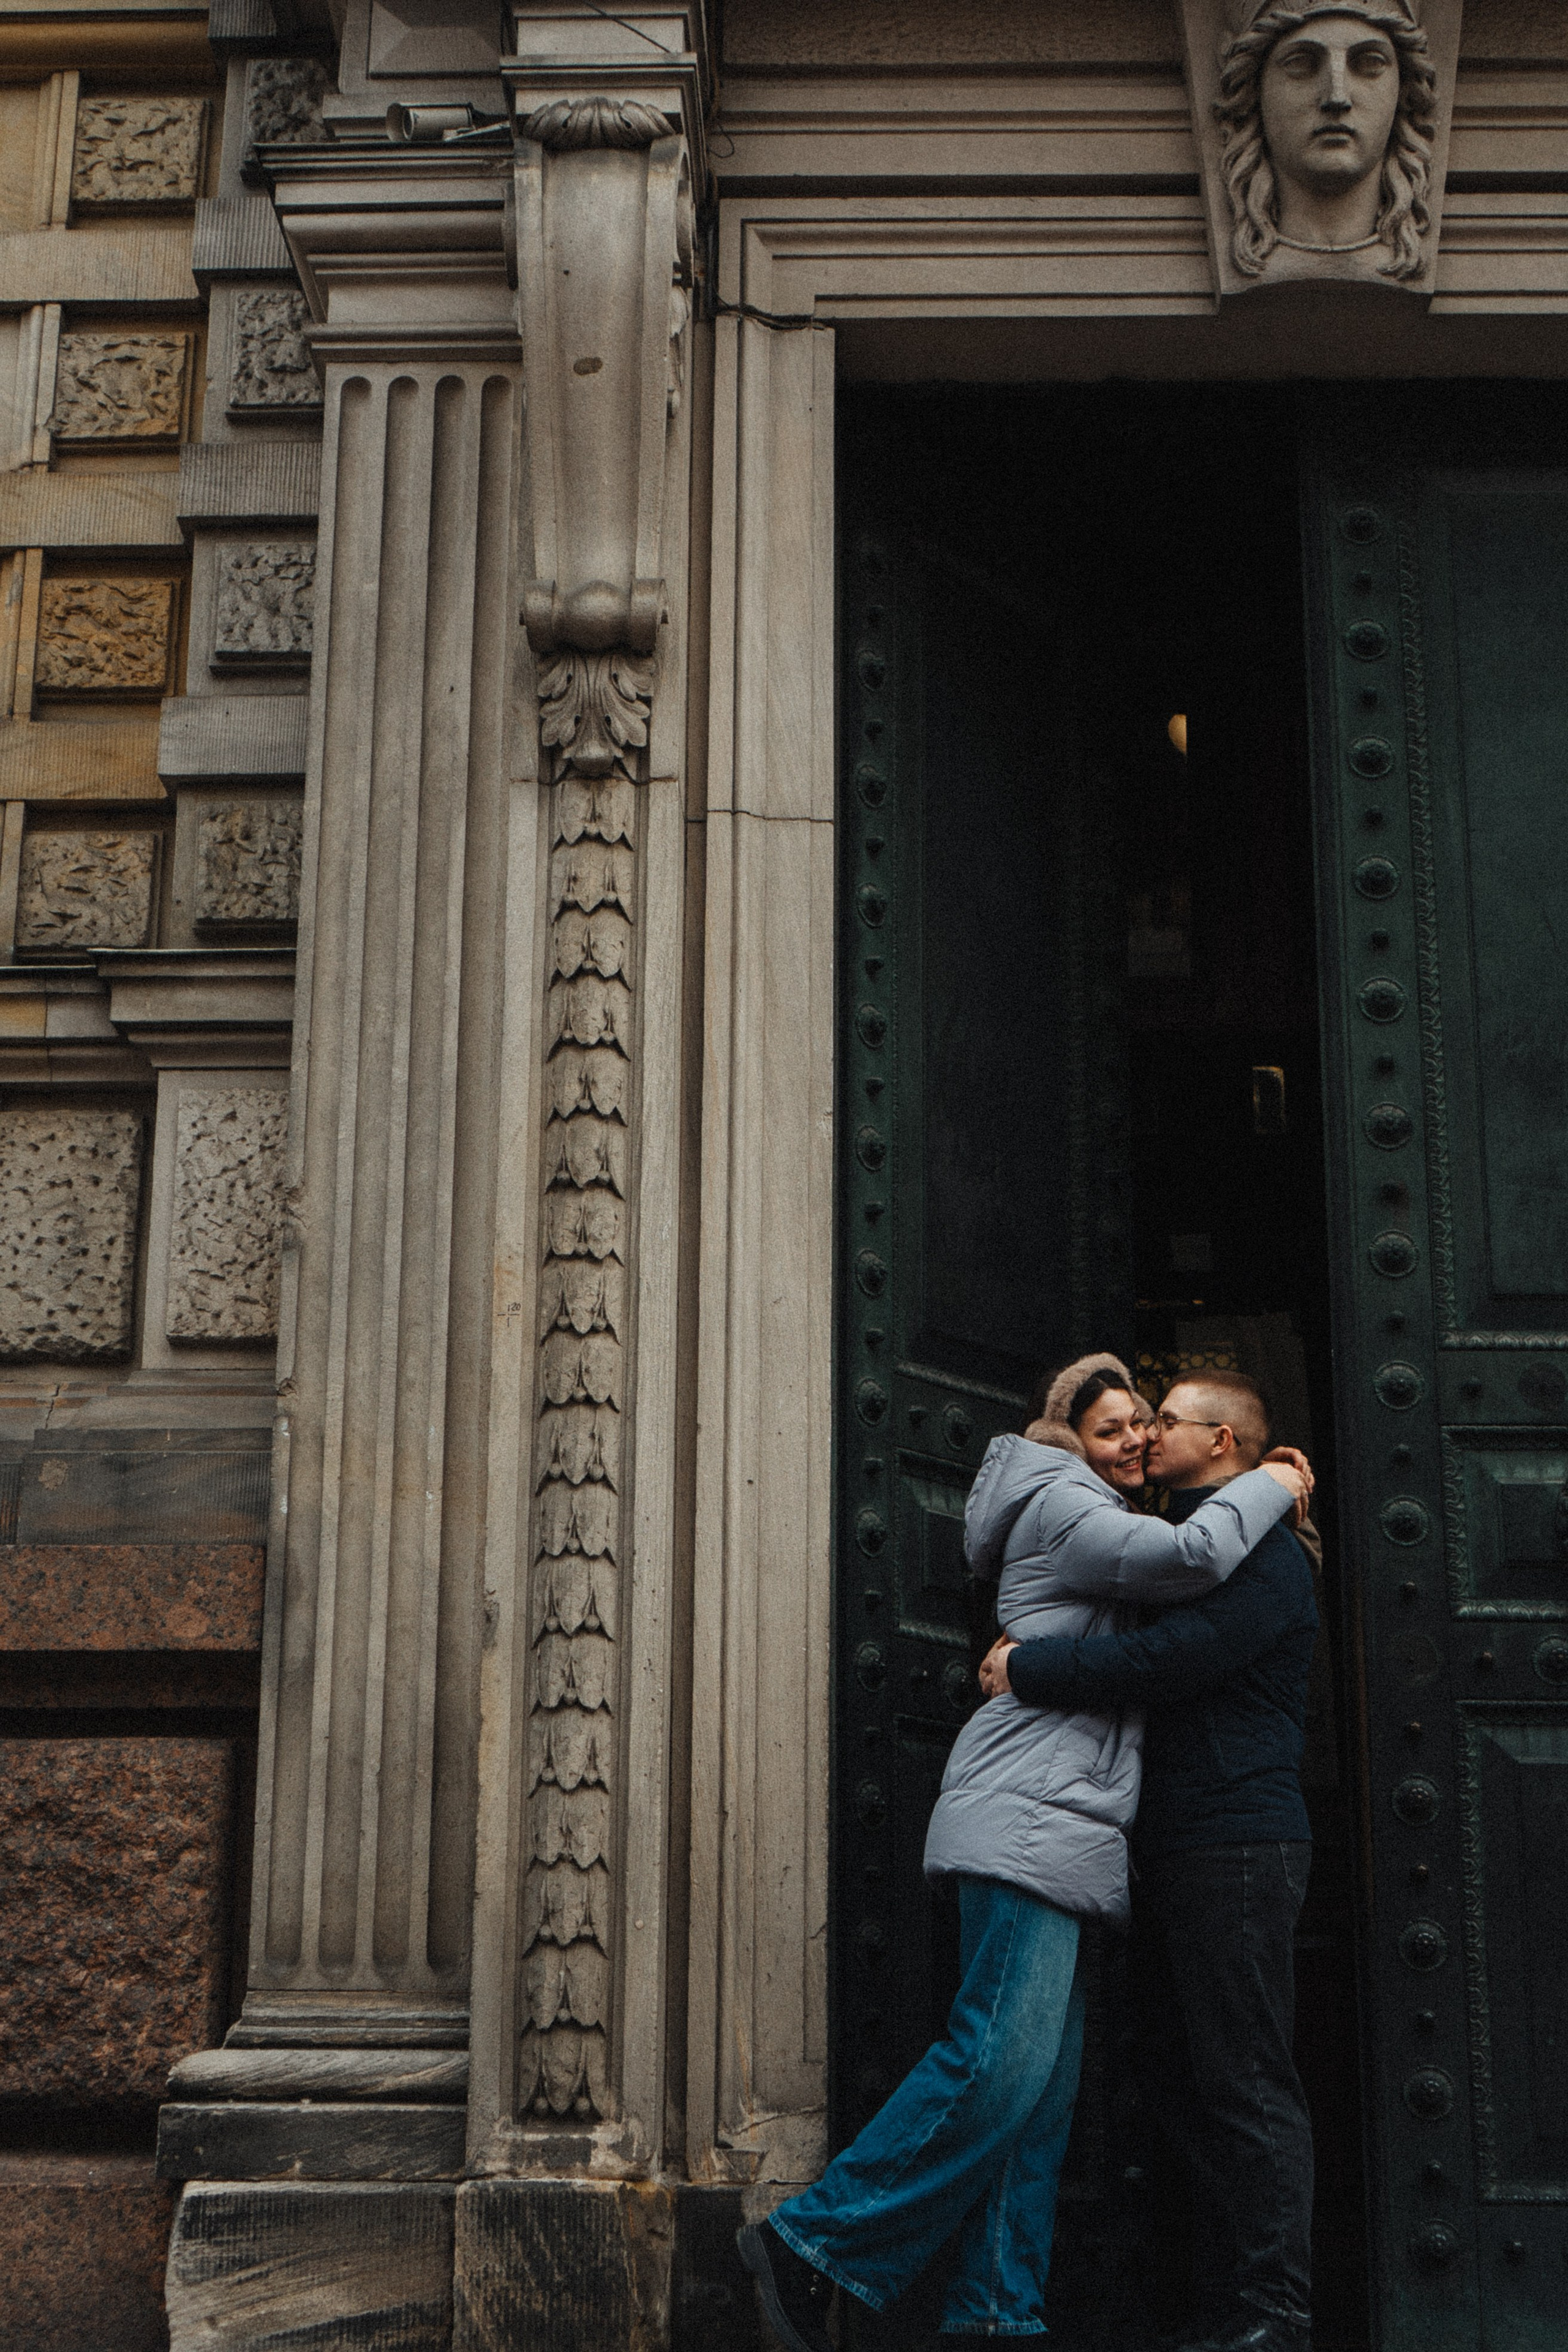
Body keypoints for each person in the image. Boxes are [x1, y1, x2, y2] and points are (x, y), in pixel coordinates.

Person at [737, 1354, 1310, 2351]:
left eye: (1150, 1423)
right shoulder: (1065, 1502)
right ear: (1067, 1443)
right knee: (997, 2065)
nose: (1137, 1439)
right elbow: (1182, 1593)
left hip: (1074, 1832)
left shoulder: (1153, 1527)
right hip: (1027, 1815)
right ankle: (810, 2243)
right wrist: (1277, 1480)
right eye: (1117, 1427)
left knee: (1037, 2101)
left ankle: (997, 2317)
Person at [980, 1371, 1319, 2352]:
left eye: (1168, 1421)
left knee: (1245, 2083)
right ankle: (1209, 2306)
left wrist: (1029, 1668)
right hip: (1176, 1844)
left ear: (1224, 1445)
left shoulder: (1260, 1552)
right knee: (1180, 2079)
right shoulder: (1181, 1546)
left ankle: (1274, 2318)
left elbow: (1175, 1662)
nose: (1148, 1437)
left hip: (1238, 1845)